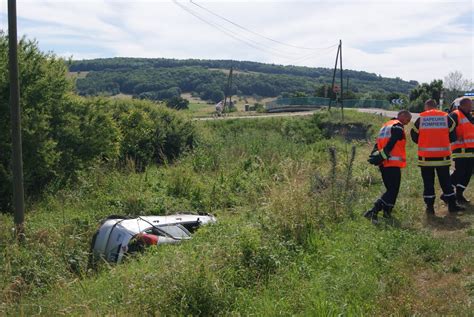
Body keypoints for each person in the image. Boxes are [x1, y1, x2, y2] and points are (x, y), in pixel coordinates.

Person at [410, 99, 464, 214]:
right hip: (442, 157)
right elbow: (453, 136)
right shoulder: (446, 117)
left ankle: (430, 208)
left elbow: (414, 136)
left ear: (426, 107)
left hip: (425, 158)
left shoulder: (421, 119)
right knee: (446, 182)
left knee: (428, 183)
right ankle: (452, 206)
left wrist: (425, 142)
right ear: (436, 106)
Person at [364, 110, 412, 223]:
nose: (408, 122)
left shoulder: (386, 126)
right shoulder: (398, 126)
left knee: (391, 189)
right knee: (392, 190)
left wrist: (375, 155)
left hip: (384, 163)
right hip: (392, 163)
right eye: (408, 119)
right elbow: (391, 143)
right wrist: (383, 155)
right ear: (401, 116)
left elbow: (378, 143)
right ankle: (373, 210)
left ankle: (387, 211)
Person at [449, 97, 474, 203]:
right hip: (460, 149)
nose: (471, 108)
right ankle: (447, 192)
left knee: (468, 173)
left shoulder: (470, 115)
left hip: (470, 150)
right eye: (469, 106)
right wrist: (454, 137)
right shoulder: (455, 114)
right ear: (463, 105)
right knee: (459, 172)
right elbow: (448, 129)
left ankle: (459, 194)